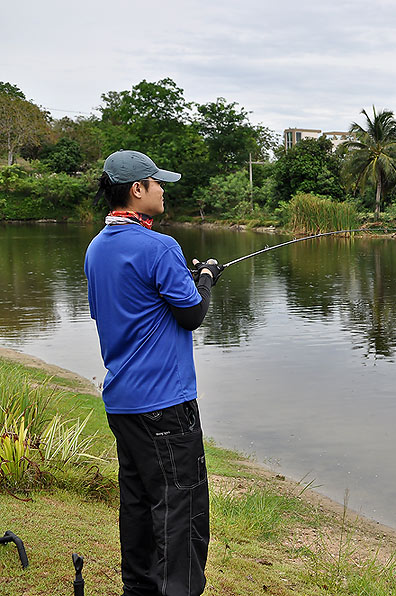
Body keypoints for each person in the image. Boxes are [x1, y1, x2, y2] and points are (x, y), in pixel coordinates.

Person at [84, 150, 224, 596]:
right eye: (157, 182)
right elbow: (193, 315)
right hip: (166, 405)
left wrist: (190, 280)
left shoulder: (96, 249)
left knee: (140, 506)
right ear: (137, 189)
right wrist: (204, 277)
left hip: (123, 404)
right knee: (181, 512)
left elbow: (119, 311)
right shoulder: (160, 246)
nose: (163, 189)